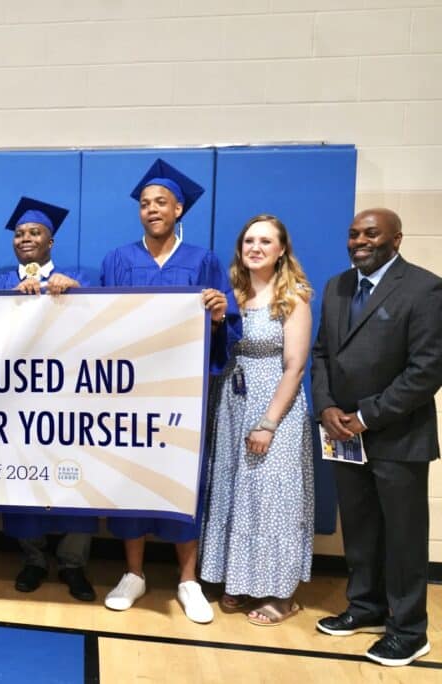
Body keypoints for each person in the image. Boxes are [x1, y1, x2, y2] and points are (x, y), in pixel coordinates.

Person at [99, 158, 242, 624]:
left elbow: (225, 327)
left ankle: (187, 579)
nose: (152, 209)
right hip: (130, 393)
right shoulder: (118, 260)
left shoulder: (203, 260)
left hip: (182, 395)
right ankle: (135, 574)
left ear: (179, 209)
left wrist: (219, 315)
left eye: (161, 202)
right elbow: (96, 323)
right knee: (130, 476)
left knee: (183, 477)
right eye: (145, 203)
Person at [311, 208, 442, 667]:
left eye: (371, 233)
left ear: (397, 239)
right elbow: (322, 353)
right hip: (342, 433)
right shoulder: (336, 286)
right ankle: (365, 608)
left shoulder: (425, 288)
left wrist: (367, 416)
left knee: (404, 536)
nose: (359, 241)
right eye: (353, 234)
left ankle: (408, 631)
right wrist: (326, 408)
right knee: (361, 529)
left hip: (397, 436)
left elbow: (426, 371)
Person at [0, 196, 97, 601]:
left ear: (50, 241)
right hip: (15, 403)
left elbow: (104, 323)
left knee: (76, 475)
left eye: (34, 232)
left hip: (67, 400)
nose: (25, 239)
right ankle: (34, 558)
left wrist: (75, 294)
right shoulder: (0, 280)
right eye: (19, 234)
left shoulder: (77, 278)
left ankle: (74, 564)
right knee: (21, 477)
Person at [198, 214, 314, 626]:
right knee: (233, 489)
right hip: (231, 397)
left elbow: (295, 367)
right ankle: (238, 579)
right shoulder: (230, 294)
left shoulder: (293, 297)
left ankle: (279, 595)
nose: (256, 248)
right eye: (249, 240)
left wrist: (268, 423)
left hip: (273, 402)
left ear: (282, 249)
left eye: (266, 241)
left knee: (271, 498)